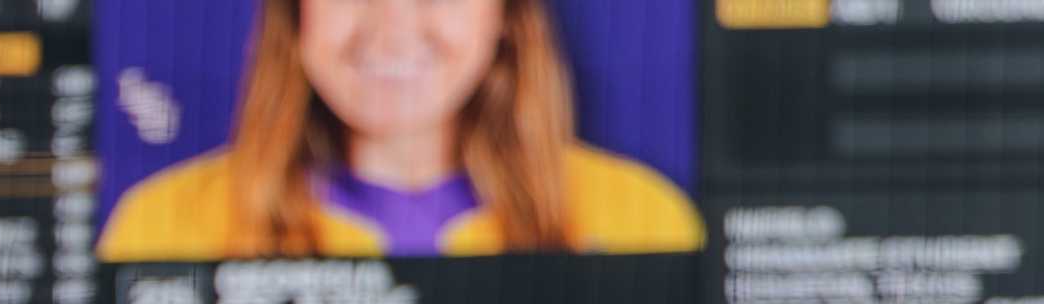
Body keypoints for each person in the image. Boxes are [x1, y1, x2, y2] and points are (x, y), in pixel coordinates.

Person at [98, 0, 705, 262]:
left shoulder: (640, 222)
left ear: (506, 17)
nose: (391, 30)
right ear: (295, 16)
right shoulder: (164, 226)